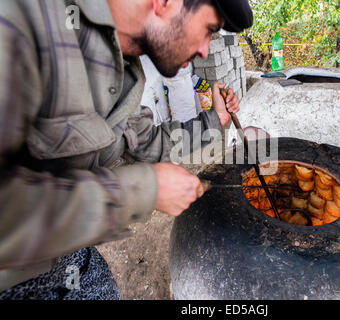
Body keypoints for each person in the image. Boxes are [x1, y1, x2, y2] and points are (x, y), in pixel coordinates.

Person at [0, 0, 253, 299]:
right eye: (208, 30)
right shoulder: (21, 23)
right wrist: (144, 190)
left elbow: (145, 141)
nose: (204, 51)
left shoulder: (122, 65)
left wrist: (216, 120)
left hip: (71, 259)